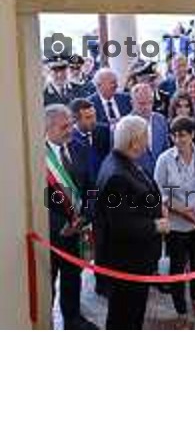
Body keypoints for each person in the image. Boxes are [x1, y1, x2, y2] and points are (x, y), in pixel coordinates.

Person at [96, 115, 170, 329]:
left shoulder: (125, 162)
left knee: (134, 312)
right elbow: (121, 225)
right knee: (125, 316)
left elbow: (140, 195)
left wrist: (158, 205)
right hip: (126, 262)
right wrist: (156, 225)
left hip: (135, 259)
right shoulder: (117, 175)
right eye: (146, 136)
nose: (149, 141)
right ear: (134, 141)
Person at [154, 117, 195, 328]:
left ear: (192, 135)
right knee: (177, 268)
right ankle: (180, 309)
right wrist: (183, 211)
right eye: (174, 135)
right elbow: (159, 192)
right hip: (177, 224)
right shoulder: (164, 159)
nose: (178, 139)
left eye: (183, 135)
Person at [45, 104, 98, 329]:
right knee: (47, 284)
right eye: (64, 126)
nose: (70, 130)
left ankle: (72, 319)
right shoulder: (35, 157)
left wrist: (84, 217)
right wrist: (62, 225)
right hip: (49, 235)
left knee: (72, 276)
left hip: (76, 229)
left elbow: (91, 189)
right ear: (47, 128)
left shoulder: (80, 148)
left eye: (71, 124)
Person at [69, 97, 112, 297]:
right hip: (83, 198)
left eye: (93, 115)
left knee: (104, 242)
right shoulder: (70, 139)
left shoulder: (103, 131)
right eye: (88, 117)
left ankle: (104, 282)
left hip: (106, 195)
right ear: (75, 119)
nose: (93, 121)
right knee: (84, 247)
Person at [130, 83, 170, 177]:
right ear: (132, 103)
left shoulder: (161, 120)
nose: (147, 107)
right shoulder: (123, 126)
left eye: (150, 102)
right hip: (135, 181)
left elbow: (166, 150)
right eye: (142, 103)